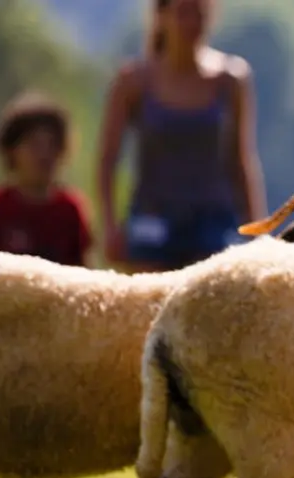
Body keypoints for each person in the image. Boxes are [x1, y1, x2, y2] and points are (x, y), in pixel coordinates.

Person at [0, 91, 94, 478]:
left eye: (53, 144)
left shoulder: (70, 209)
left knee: (38, 414)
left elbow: (82, 274)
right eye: (34, 144)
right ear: (12, 152)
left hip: (49, 336)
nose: (45, 154)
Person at [96, 0, 267, 273]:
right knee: (147, 305)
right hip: (152, 218)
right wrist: (109, 226)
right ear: (161, 16)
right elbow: (108, 160)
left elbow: (241, 160)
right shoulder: (133, 82)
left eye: (199, 14)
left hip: (213, 222)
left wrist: (258, 230)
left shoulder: (231, 79)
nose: (191, 23)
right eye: (183, 13)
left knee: (214, 304)